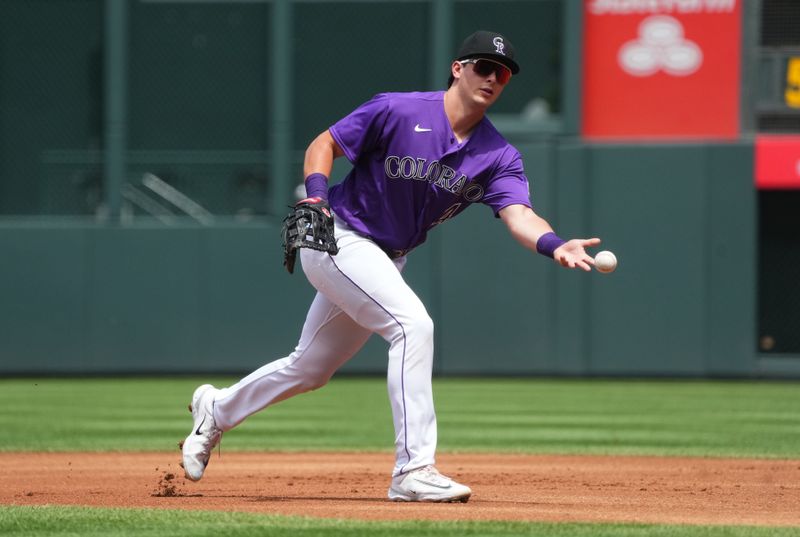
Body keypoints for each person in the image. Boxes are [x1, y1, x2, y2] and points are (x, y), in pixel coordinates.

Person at [181, 30, 601, 503]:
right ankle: (413, 469)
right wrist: (316, 196)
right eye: (483, 66)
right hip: (338, 237)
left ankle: (215, 408)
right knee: (412, 325)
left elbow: (520, 215)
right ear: (458, 68)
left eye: (501, 73)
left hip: (386, 259)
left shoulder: (497, 155)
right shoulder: (399, 109)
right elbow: (325, 143)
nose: (492, 77)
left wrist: (554, 244)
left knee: (311, 368)